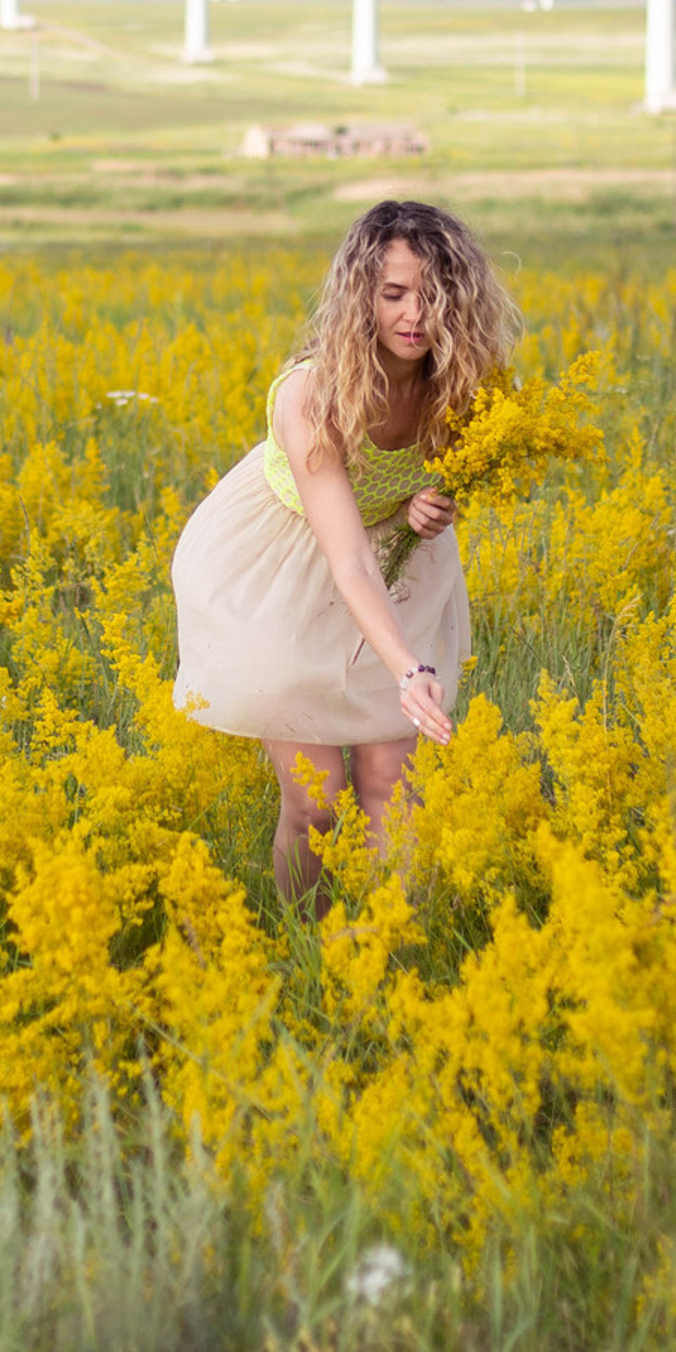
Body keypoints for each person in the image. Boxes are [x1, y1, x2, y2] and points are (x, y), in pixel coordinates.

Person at [171, 198, 520, 907]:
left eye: (434, 295)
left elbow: (444, 476)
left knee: (391, 783)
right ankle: (309, 941)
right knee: (318, 799)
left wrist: (429, 501)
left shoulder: (465, 387)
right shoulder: (311, 395)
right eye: (393, 294)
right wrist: (411, 670)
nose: (414, 315)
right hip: (283, 571)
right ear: (361, 295)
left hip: (397, 569)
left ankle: (387, 948)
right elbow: (349, 559)